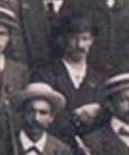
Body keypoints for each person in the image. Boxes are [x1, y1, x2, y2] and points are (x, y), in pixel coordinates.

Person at [39, 10, 107, 138]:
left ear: (92, 41)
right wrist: (75, 117)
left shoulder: (100, 79)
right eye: (73, 38)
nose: (79, 45)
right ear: (62, 39)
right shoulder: (46, 76)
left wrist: (98, 112)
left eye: (85, 39)